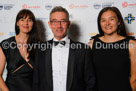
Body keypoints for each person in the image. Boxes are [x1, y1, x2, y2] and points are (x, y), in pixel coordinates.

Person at [33, 6, 95, 91]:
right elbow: (36, 82)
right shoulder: (40, 50)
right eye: (55, 21)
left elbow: (90, 82)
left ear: (68, 24)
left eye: (63, 21)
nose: (59, 26)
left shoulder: (83, 50)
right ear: (49, 24)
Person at [89, 6, 136, 91]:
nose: (107, 23)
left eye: (111, 19)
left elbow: (134, 78)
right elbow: (88, 76)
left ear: (119, 22)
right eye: (103, 20)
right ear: (100, 23)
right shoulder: (92, 44)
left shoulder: (132, 44)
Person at [0, 9, 39, 91]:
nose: (26, 23)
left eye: (29, 20)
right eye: (22, 20)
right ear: (17, 23)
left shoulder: (40, 46)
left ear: (33, 24)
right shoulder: (6, 44)